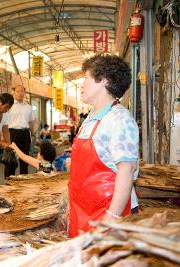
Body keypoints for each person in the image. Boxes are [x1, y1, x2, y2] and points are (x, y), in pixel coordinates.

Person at [69, 54, 139, 238]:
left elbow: (127, 170)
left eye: (86, 78)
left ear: (103, 81)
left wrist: (112, 216)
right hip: (83, 209)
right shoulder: (91, 117)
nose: (82, 85)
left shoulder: (119, 119)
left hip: (108, 212)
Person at [4, 85, 35, 177]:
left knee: (25, 158)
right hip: (12, 133)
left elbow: (30, 123)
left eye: (22, 91)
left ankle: (23, 179)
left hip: (25, 133)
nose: (20, 93)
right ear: (14, 92)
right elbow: (4, 122)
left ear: (24, 93)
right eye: (18, 91)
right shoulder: (9, 106)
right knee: (11, 158)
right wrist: (3, 136)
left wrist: (32, 134)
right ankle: (9, 180)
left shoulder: (28, 107)